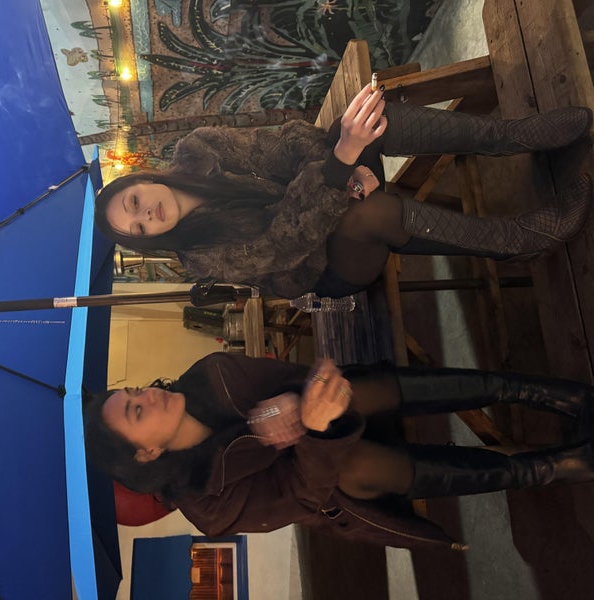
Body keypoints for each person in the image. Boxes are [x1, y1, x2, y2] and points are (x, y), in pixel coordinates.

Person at [94, 86, 593, 299]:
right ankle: (518, 240)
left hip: (329, 191)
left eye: (134, 202)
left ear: (142, 180)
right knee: (364, 216)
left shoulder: (200, 148)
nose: (147, 215)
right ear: (148, 240)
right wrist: (339, 171)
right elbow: (286, 242)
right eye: (138, 229)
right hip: (329, 264)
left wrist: (345, 163)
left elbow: (286, 145)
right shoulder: (201, 258)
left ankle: (512, 136)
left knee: (369, 120)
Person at [84, 352, 594, 549]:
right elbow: (301, 495)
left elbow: (300, 374)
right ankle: (548, 468)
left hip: (351, 407)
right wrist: (314, 430)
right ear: (147, 453)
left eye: (132, 391)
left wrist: (292, 399)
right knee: (355, 468)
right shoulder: (207, 504)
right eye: (136, 411)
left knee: (356, 393)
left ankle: (544, 393)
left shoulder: (210, 375)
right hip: (338, 485)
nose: (147, 395)